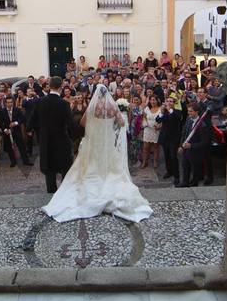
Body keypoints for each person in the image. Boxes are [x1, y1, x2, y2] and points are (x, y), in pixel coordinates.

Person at [42, 85, 153, 222]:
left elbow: (83, 123)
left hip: (94, 141)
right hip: (108, 141)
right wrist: (110, 126)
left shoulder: (93, 107)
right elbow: (122, 122)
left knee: (92, 162)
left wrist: (94, 126)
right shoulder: (112, 107)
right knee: (108, 164)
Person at [27, 76, 75, 193]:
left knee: (49, 172)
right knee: (65, 170)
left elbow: (31, 121)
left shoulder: (40, 101)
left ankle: (51, 196)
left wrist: (31, 130)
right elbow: (71, 125)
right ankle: (64, 196)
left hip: (46, 141)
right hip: (61, 142)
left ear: (50, 86)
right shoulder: (64, 104)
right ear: (61, 87)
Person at [179, 104, 212, 187]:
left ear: (196, 112)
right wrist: (181, 146)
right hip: (186, 151)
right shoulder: (188, 120)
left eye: (190, 111)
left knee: (195, 170)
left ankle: (194, 183)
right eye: (188, 111)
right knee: (185, 167)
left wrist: (191, 146)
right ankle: (184, 182)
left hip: (195, 153)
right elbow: (184, 134)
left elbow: (204, 142)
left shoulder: (202, 125)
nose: (188, 113)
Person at [156, 97, 184, 185]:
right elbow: (158, 120)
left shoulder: (177, 111)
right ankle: (169, 171)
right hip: (165, 137)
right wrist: (161, 112)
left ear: (174, 103)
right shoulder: (164, 112)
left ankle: (177, 176)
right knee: (166, 156)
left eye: (170, 101)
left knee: (173, 156)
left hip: (174, 138)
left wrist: (169, 109)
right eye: (167, 101)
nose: (168, 102)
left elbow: (178, 118)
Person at [0, 97, 30, 166]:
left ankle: (26, 161)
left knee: (21, 146)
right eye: (8, 102)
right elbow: (0, 122)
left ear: (13, 103)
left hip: (16, 130)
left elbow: (22, 118)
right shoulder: (2, 111)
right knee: (10, 147)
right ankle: (13, 162)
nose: (9, 104)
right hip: (8, 132)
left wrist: (16, 123)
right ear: (5, 103)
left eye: (11, 102)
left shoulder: (17, 110)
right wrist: (5, 130)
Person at [141, 95, 163, 168]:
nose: (153, 101)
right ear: (149, 101)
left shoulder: (160, 109)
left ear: (157, 101)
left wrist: (159, 125)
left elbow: (162, 119)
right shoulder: (147, 108)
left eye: (154, 100)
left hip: (156, 129)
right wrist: (145, 123)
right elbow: (144, 117)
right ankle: (144, 162)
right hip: (147, 129)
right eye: (151, 100)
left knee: (156, 147)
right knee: (145, 147)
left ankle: (155, 162)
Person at [127, 94, 145, 168]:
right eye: (134, 99)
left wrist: (142, 124)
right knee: (134, 143)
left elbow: (144, 116)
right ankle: (135, 159)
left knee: (140, 143)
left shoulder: (142, 107)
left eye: (137, 99)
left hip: (140, 126)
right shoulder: (131, 107)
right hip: (133, 126)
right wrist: (129, 125)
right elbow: (130, 116)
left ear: (140, 100)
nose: (136, 101)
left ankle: (141, 160)